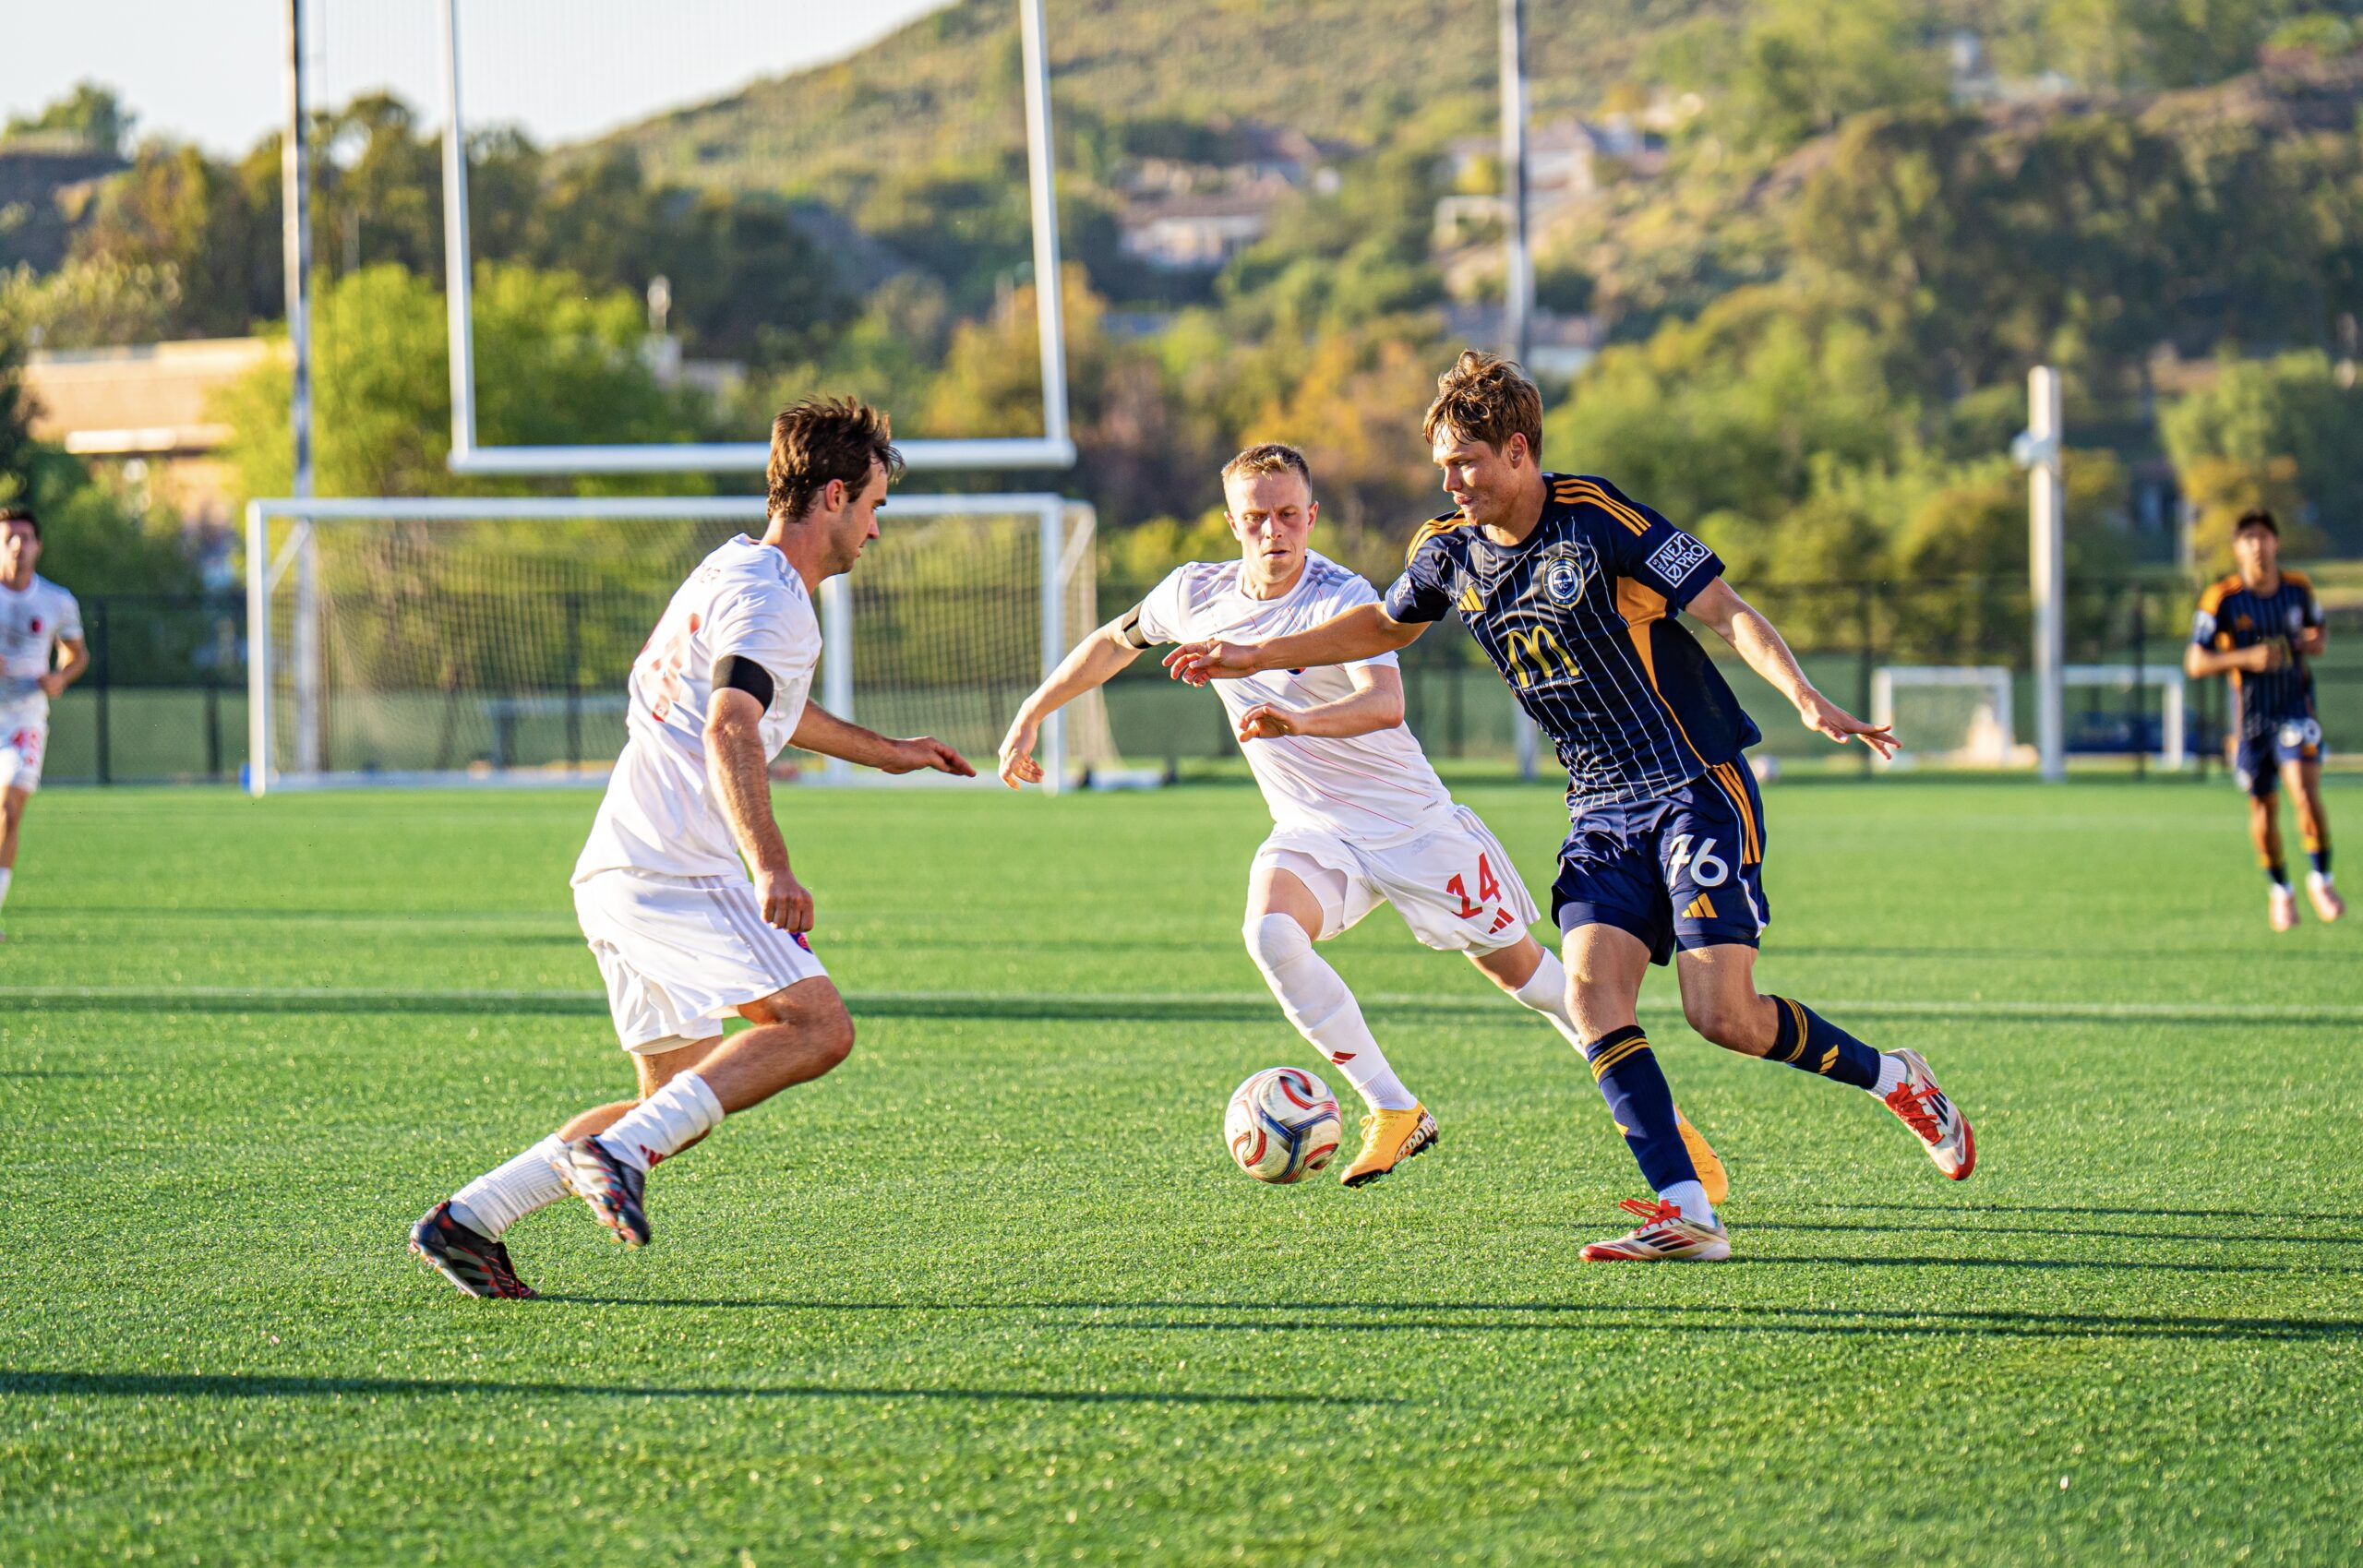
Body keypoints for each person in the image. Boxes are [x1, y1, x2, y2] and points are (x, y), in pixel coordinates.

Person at [1165, 353, 1974, 1263]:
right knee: (1590, 999)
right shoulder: (1446, 549)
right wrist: (1249, 654)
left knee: (1724, 1018)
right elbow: (1382, 627)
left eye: (1464, 461)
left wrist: (1804, 697)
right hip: (1598, 805)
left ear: (1518, 451)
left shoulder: (1597, 518)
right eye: (1441, 463)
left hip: (1692, 785)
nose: (1449, 481)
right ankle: (1687, 1212)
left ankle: (1895, 1077)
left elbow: (1725, 608)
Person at [999, 442, 1727, 1197]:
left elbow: (1386, 703)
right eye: (1256, 518)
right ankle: (1393, 1106)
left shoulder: (1339, 594)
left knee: (1542, 985)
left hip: (1416, 829)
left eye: (1288, 515)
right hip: (1317, 834)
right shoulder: (1195, 593)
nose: (1273, 531)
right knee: (1270, 931)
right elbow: (1114, 642)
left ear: (1311, 516)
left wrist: (1297, 722)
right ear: (1231, 522)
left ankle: (1672, 1134)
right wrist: (1032, 712)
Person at [410, 398, 975, 1299]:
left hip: (615, 867)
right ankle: (613, 1155)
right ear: (833, 495)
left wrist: (889, 752)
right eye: (873, 503)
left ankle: (469, 1218)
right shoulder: (773, 601)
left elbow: (765, 705)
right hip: (677, 864)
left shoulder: (732, 571)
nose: (874, 526)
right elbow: (730, 726)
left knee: (670, 1102)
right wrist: (771, 863)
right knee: (818, 1027)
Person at [2184, 509, 2341, 930]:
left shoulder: (2297, 589)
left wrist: (2313, 642)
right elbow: (2195, 661)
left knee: (2305, 791)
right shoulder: (2223, 599)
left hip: (2294, 708)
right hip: (2251, 720)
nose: (2257, 544)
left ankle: (2321, 878)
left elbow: (2320, 635)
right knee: (2264, 807)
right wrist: (2245, 657)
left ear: (2276, 543)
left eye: (2263, 536)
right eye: (2248, 537)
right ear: (2237, 549)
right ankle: (2280, 889)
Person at [0, 505, 90, 943]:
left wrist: (60, 676)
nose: (17, 545)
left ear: (38, 545)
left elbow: (77, 654)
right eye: (8, 537)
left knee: (9, 809)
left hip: (24, 719)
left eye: (24, 537)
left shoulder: (56, 600)